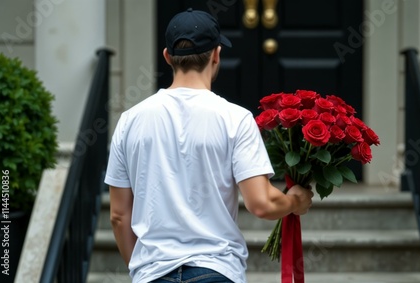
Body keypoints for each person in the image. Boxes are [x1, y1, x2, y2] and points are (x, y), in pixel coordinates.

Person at [104, 8, 314, 283]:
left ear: (168, 57)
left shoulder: (130, 121)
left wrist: (145, 269)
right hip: (216, 270)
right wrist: (295, 201)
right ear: (216, 55)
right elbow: (261, 203)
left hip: (152, 274)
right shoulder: (235, 119)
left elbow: (119, 216)